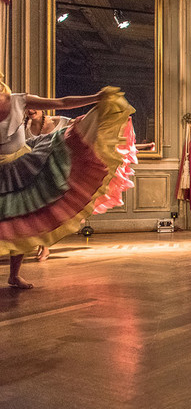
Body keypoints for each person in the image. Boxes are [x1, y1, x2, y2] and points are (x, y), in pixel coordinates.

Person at [0, 78, 134, 289]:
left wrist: (96, 98)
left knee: (21, 215)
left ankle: (14, 275)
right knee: (7, 219)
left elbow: (61, 102)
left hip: (22, 163)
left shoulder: (19, 100)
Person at [23, 109, 72, 261]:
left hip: (54, 172)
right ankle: (42, 245)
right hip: (32, 172)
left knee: (45, 211)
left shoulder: (61, 121)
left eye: (34, 106)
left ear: (42, 107)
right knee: (34, 211)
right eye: (27, 107)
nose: (31, 110)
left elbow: (80, 128)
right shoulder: (23, 126)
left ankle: (44, 245)